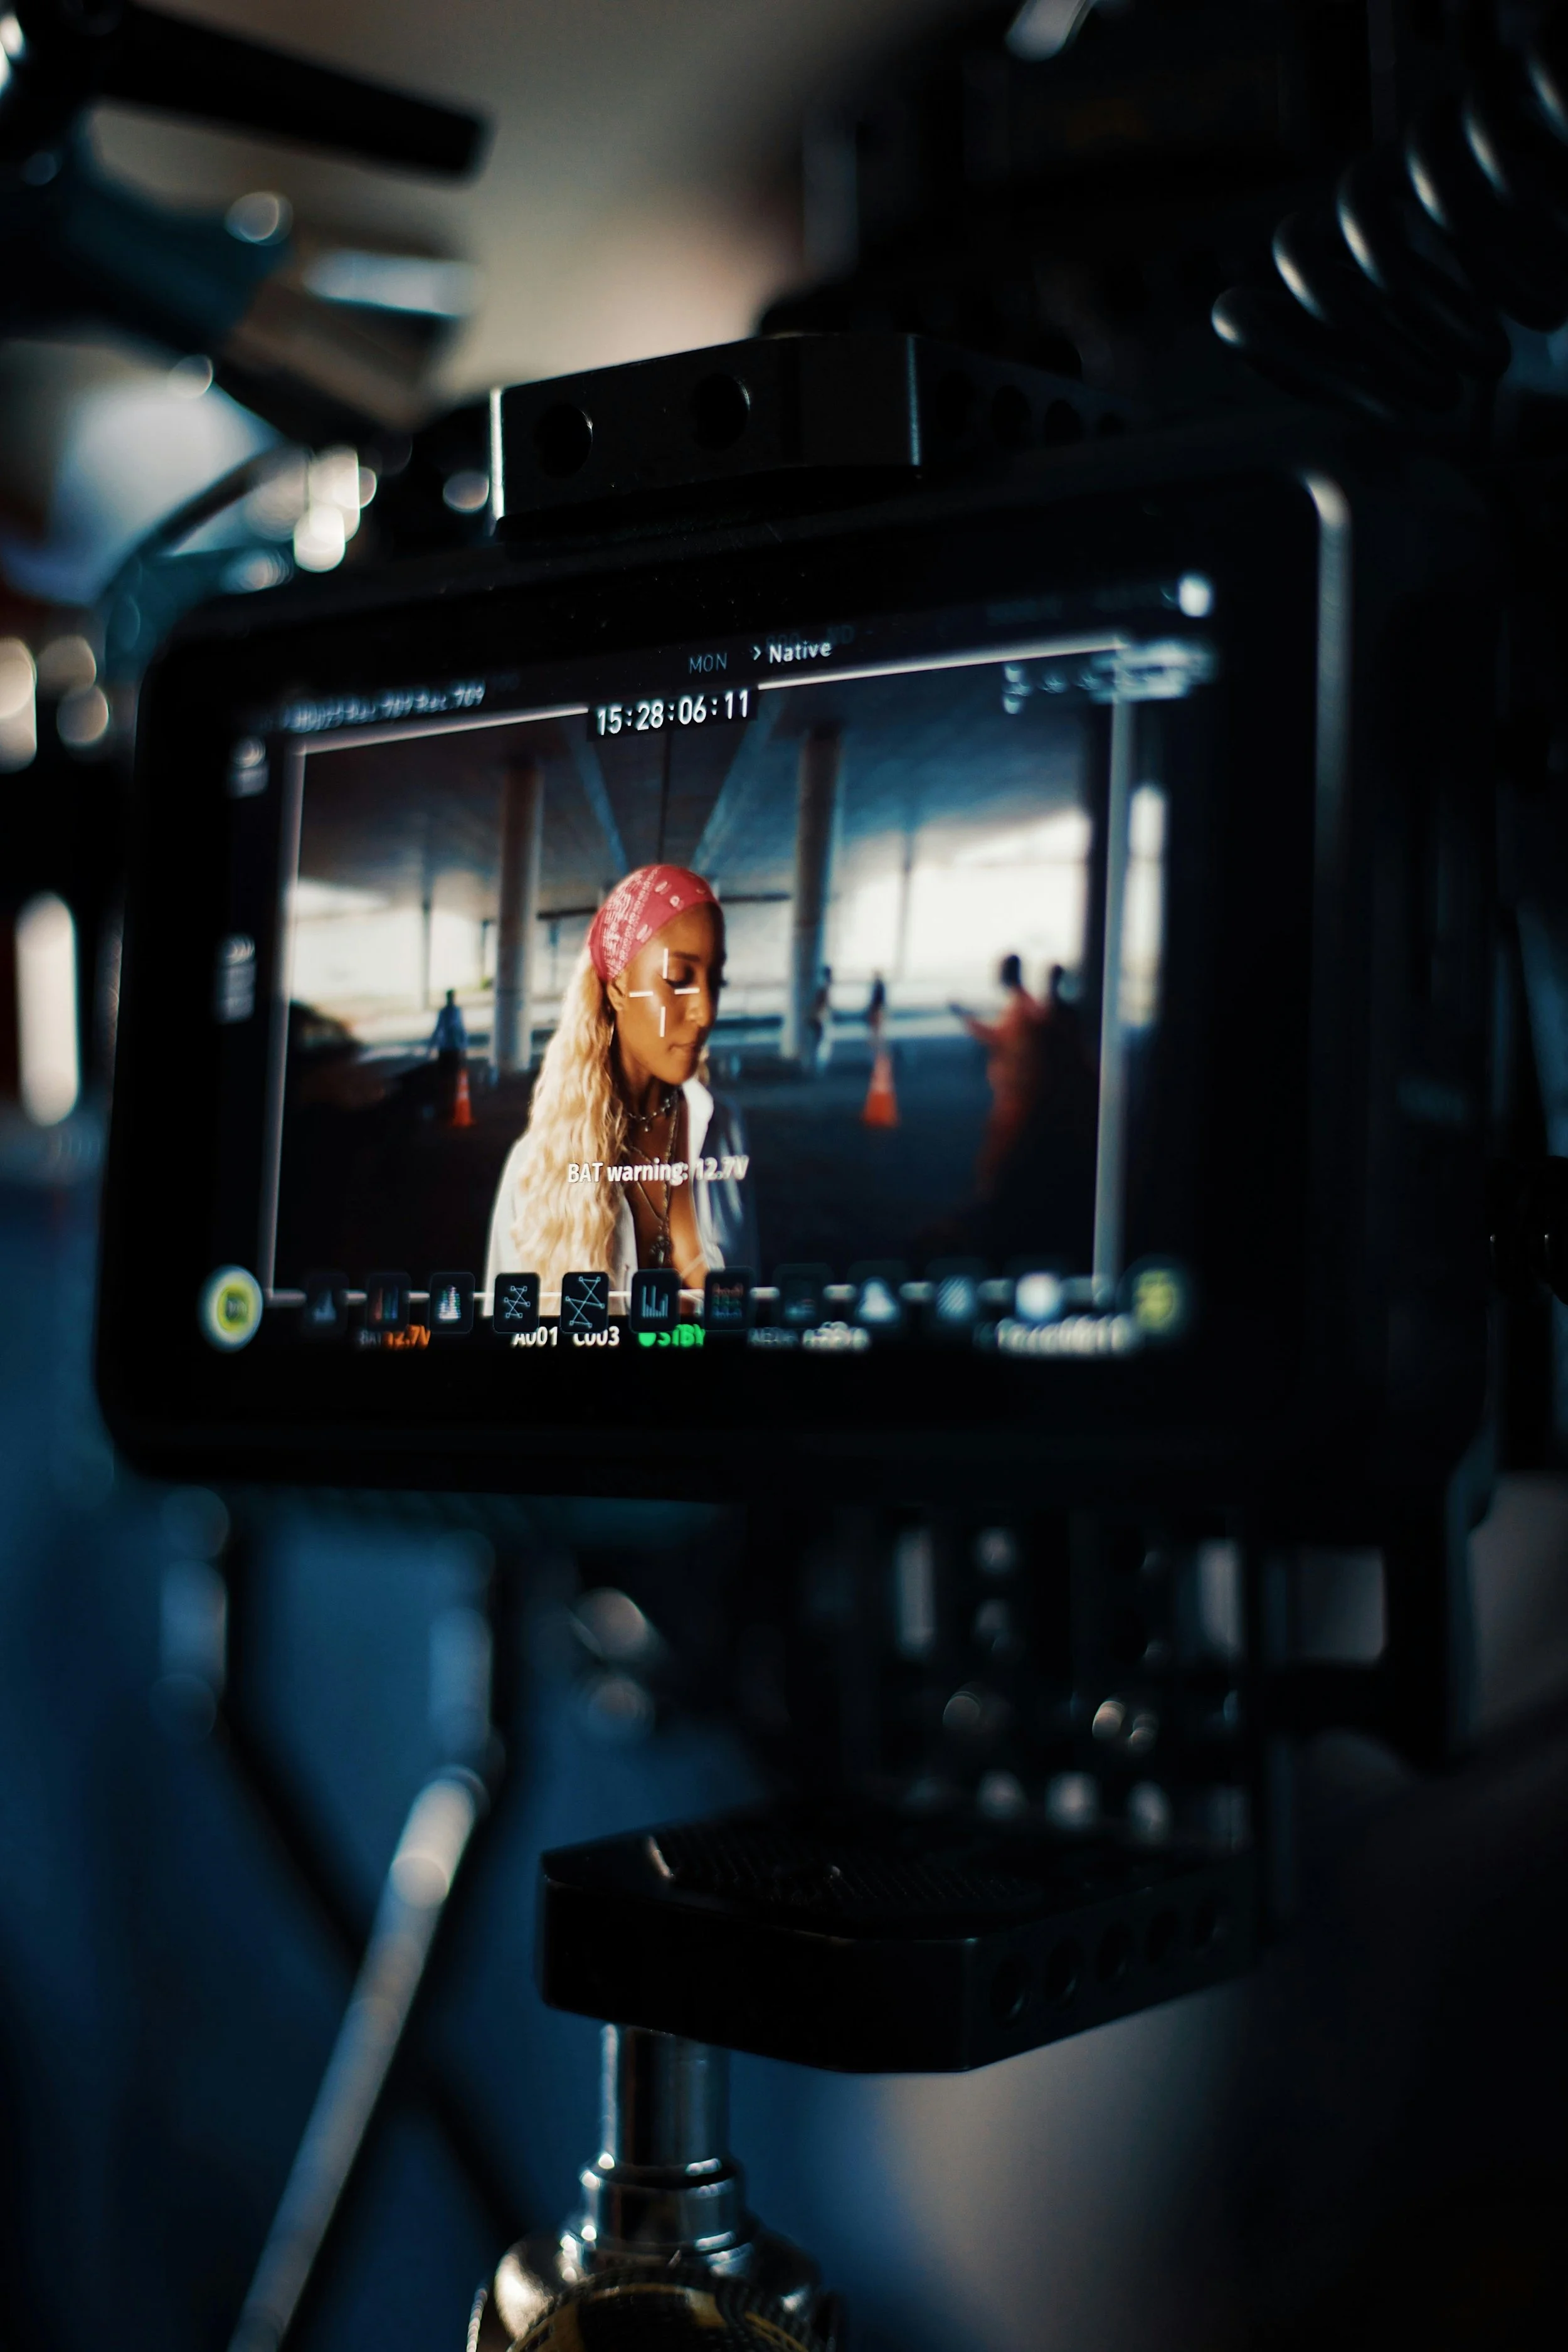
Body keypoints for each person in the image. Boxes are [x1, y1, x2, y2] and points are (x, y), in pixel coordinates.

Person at [485, 864, 755, 1306]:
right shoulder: (536, 1167)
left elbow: (750, 1303)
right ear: (618, 988)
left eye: (715, 980)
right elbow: (509, 1325)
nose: (706, 1012)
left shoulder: (725, 1130)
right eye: (679, 979)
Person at [953, 953, 1046, 1192]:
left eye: (1001, 971)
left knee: (1003, 1152)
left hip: (1016, 1094)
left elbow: (999, 1039)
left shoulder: (1021, 1008)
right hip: (1015, 1092)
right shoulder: (1024, 1005)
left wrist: (967, 1019)